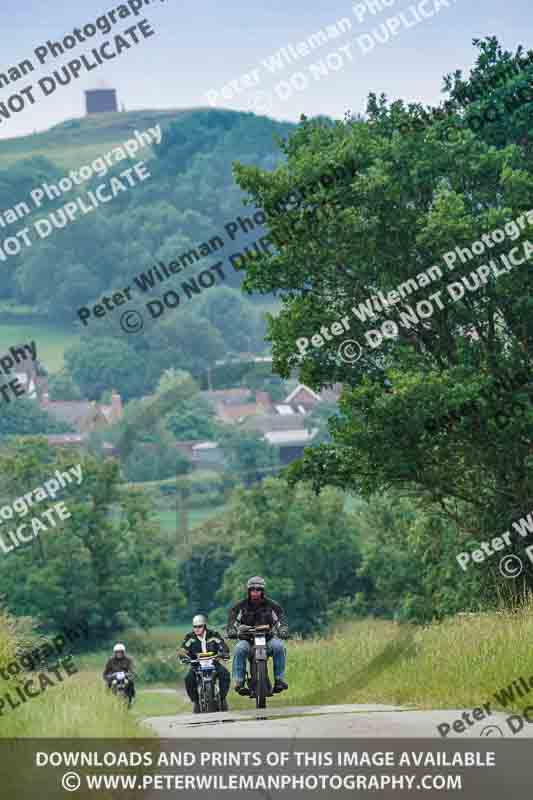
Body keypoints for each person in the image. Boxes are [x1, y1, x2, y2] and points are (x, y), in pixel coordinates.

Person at [226, 576, 289, 694]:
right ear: (248, 591)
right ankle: (239, 682)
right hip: (248, 641)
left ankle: (279, 680)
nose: (255, 592)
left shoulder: (272, 606)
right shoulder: (240, 606)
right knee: (239, 649)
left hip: (268, 639)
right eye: (252, 589)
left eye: (258, 589)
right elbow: (233, 620)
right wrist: (231, 630)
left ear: (262, 591)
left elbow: (280, 618)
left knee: (279, 647)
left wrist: (283, 629)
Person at [178, 614, 231, 713]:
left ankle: (222, 698)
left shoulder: (214, 635)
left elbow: (222, 645)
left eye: (199, 626)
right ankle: (196, 702)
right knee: (188, 679)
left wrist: (224, 653)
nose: (197, 629)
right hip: (196, 665)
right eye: (195, 627)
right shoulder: (190, 637)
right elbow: (183, 649)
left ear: (204, 626)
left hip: (214, 663)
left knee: (225, 675)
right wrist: (184, 657)